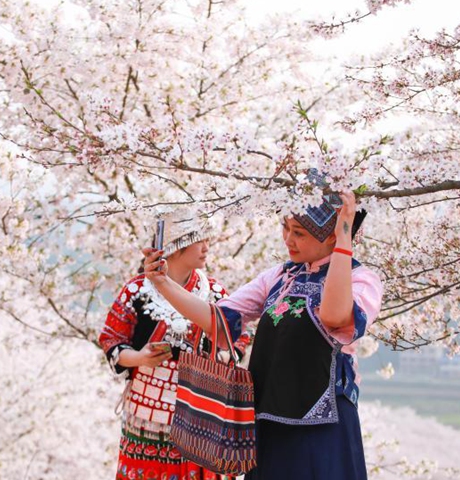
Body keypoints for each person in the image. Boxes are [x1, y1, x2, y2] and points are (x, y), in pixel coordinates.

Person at [142, 178, 384, 479]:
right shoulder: (280, 277)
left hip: (324, 426)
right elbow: (219, 319)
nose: (288, 240)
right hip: (268, 422)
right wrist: (162, 282)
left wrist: (344, 236)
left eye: (299, 233)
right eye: (286, 229)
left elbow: (335, 317)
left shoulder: (362, 280)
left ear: (332, 236)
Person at [99, 213, 253, 480]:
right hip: (148, 410)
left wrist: (213, 358)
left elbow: (239, 337)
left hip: (202, 405)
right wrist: (140, 358)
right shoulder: (136, 291)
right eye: (199, 241)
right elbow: (111, 340)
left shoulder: (215, 292)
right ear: (177, 246)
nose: (207, 248)